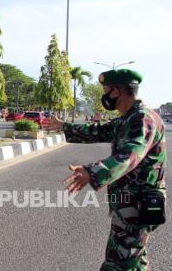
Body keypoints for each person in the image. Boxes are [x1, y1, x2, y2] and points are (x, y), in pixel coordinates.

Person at [50, 69, 167, 270]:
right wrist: (65, 127)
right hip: (130, 204)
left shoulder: (142, 118)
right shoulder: (129, 118)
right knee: (135, 261)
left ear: (116, 92)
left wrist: (93, 172)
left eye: (105, 89)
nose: (104, 95)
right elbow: (99, 130)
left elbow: (131, 154)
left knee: (118, 263)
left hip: (137, 206)